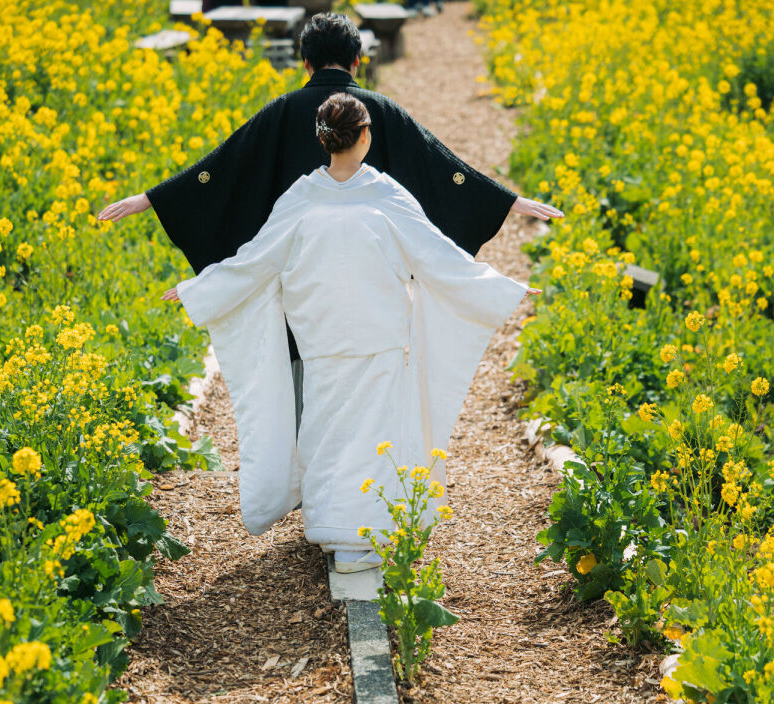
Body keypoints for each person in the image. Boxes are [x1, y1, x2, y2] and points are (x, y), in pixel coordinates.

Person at [161, 94, 539, 571]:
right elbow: (437, 256)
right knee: (373, 431)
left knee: (325, 427)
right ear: (365, 135)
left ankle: (329, 528)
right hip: (378, 333)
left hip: (322, 335)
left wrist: (201, 287)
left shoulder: (301, 197)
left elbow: (255, 259)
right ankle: (360, 537)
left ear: (324, 140)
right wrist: (501, 287)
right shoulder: (384, 195)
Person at [98, 13, 562, 279]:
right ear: (358, 60)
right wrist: (507, 201)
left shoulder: (280, 111)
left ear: (304, 62)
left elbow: (222, 168)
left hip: (299, 266)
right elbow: (440, 168)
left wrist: (151, 199)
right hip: (371, 267)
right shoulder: (379, 109)